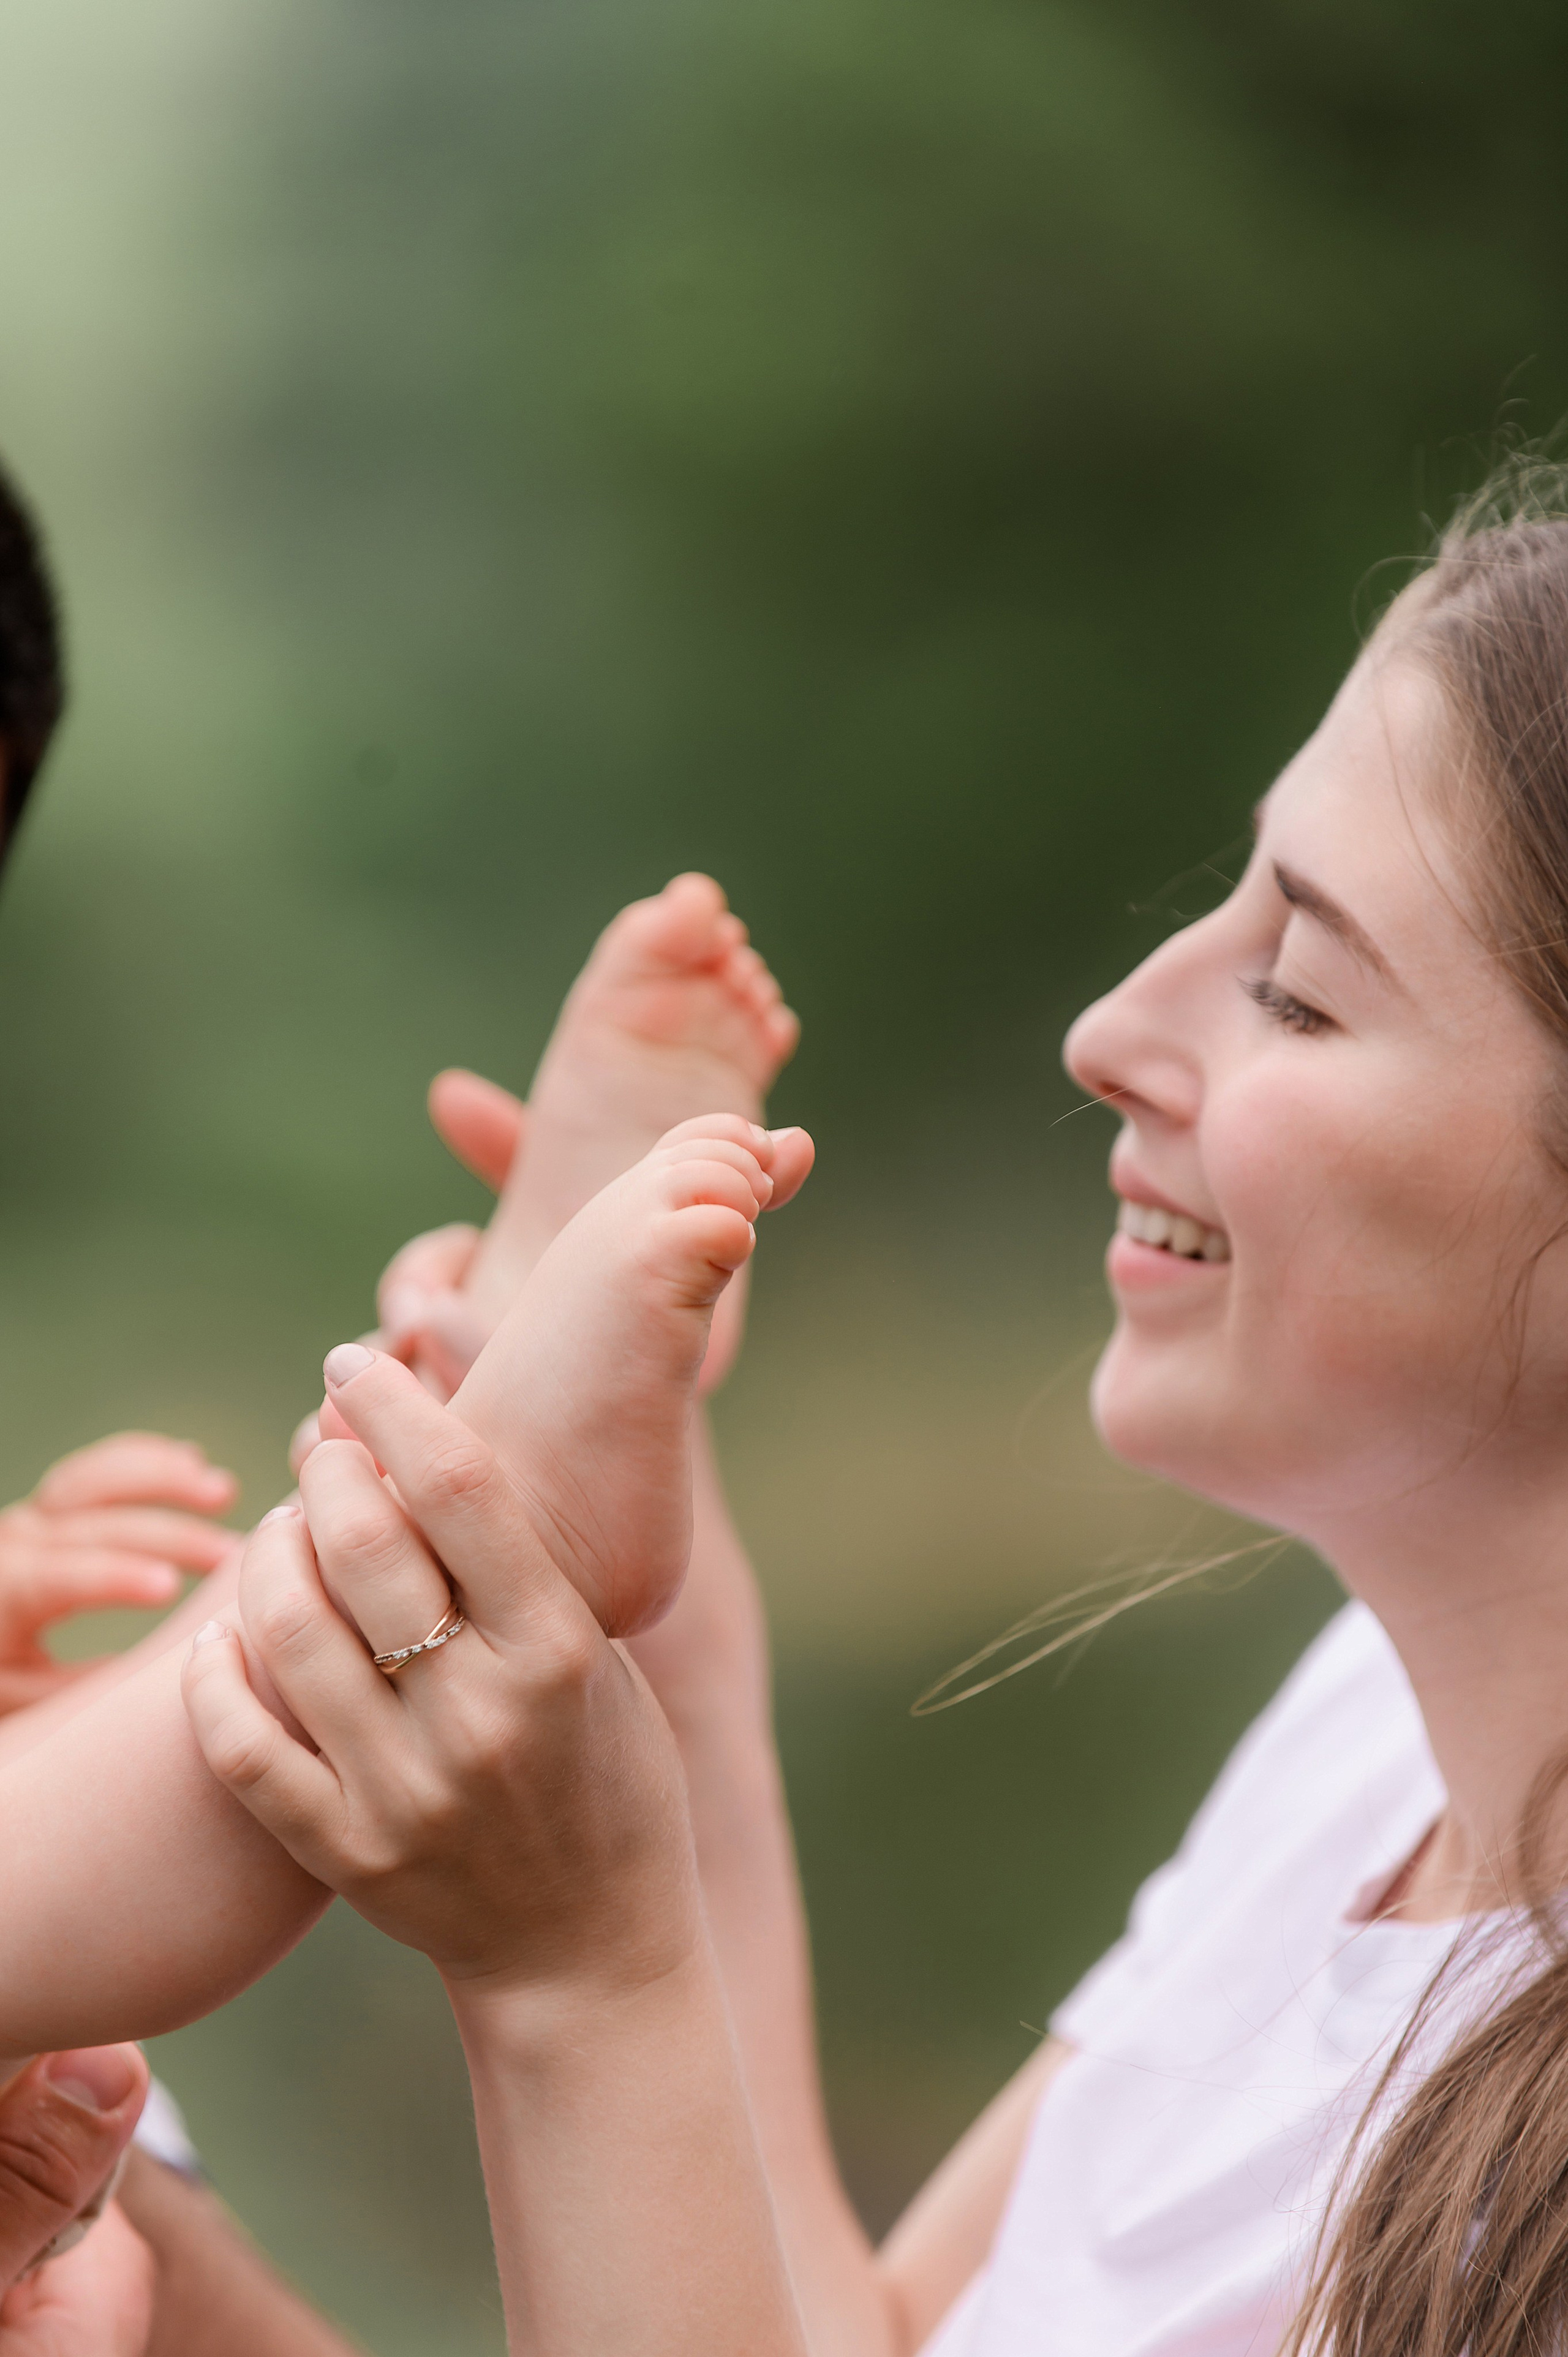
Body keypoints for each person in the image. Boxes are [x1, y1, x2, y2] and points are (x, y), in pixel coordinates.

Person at [171, 459, 1568, 2357]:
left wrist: (581, 1978)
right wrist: (652, 1618)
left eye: (1299, 995)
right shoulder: (1384, 1747)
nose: (1109, 1032)